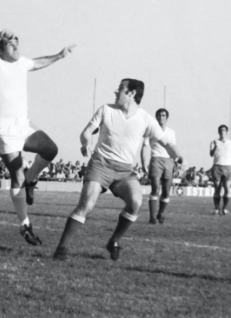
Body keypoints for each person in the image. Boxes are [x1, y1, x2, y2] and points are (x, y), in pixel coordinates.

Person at [53, 79, 183, 261]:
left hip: (125, 170)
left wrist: (179, 159)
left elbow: (167, 143)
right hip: (101, 164)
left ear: (131, 94)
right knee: (87, 204)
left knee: (136, 202)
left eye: (121, 89)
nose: (116, 92)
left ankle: (113, 241)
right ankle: (62, 249)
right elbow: (86, 132)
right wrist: (86, 143)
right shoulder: (106, 110)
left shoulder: (146, 119)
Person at [0, 29, 75, 245]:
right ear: (0, 49)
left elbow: (38, 63)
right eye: (10, 43)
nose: (16, 45)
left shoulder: (21, 63)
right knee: (16, 176)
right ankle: (25, 225)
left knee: (50, 149)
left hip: (24, 125)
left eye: (17, 42)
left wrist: (59, 55)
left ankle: (31, 180)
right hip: (3, 129)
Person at [142, 108, 177, 224]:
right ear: (156, 117)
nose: (161, 117)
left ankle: (161, 213)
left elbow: (172, 148)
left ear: (166, 118)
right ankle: (152, 217)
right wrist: (143, 162)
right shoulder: (151, 131)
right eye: (159, 115)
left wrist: (176, 162)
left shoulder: (171, 132)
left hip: (168, 161)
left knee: (166, 191)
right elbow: (145, 146)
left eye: (163, 115)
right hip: (156, 160)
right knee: (155, 188)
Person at [210, 124, 231, 215]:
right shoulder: (214, 141)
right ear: (218, 132)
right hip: (217, 167)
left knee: (227, 189)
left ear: (226, 132)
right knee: (217, 189)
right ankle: (216, 209)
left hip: (227, 167)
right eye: (221, 130)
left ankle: (224, 208)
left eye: (224, 130)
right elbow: (211, 154)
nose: (222, 132)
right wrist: (215, 147)